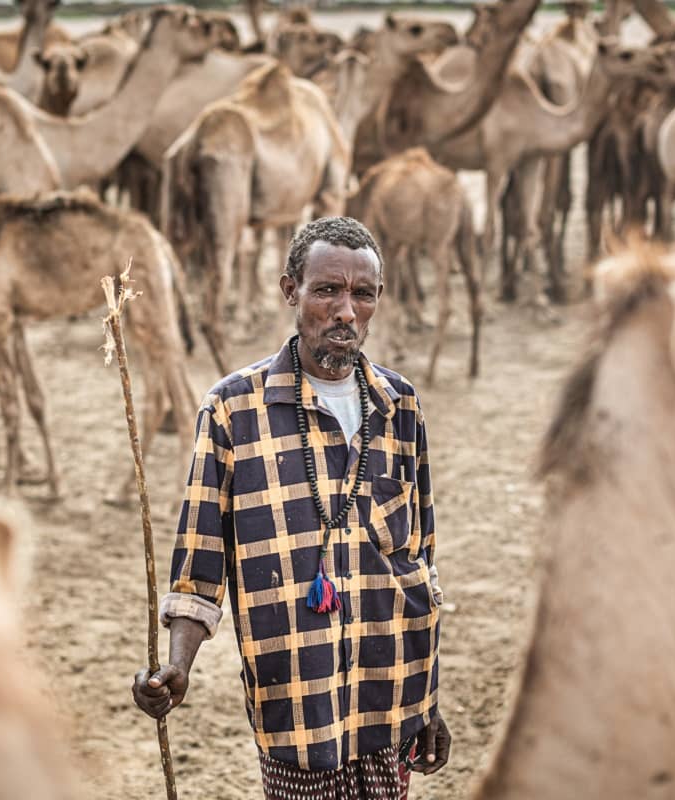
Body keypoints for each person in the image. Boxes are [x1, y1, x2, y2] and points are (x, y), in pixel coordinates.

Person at [133, 217, 448, 799]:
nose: (346, 312)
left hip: (391, 700)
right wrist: (177, 666)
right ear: (289, 292)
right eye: (327, 290)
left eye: (363, 294)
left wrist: (428, 700)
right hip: (297, 710)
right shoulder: (233, 410)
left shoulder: (400, 406)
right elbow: (199, 566)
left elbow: (421, 565)